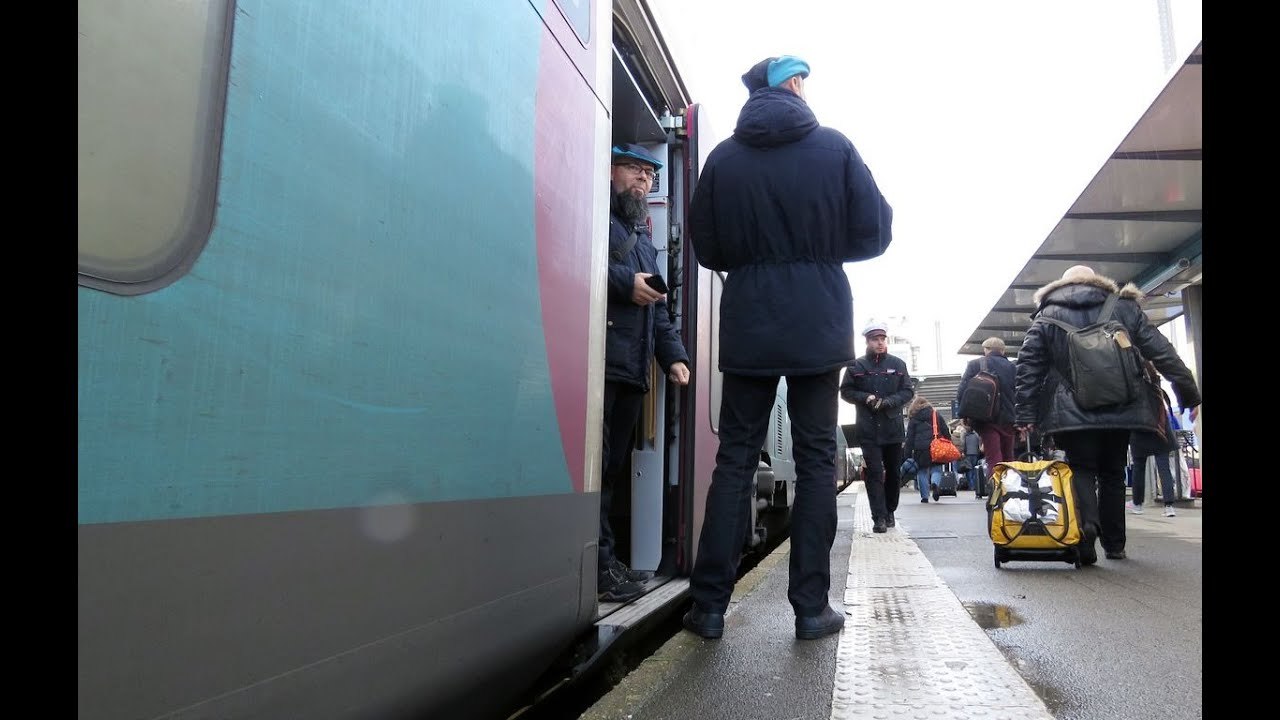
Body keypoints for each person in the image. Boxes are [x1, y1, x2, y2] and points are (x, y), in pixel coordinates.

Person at [681, 55, 893, 641]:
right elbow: (875, 231)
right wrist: (823, 250)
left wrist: (756, 262)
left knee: (736, 459)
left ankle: (707, 609)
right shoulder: (835, 147)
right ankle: (810, 609)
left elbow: (708, 247)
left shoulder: (724, 157)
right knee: (818, 459)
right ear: (795, 86)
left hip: (749, 321)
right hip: (818, 321)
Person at [1013, 265, 1200, 563]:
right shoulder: (1123, 307)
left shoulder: (1045, 317)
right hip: (1122, 405)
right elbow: (1161, 351)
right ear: (1098, 282)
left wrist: (1025, 414)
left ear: (1061, 286)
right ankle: (1115, 544)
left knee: (1081, 468)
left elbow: (1028, 368)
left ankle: (1087, 531)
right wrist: (1188, 392)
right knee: (1113, 472)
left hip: (1071, 411)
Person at [598, 143, 691, 602]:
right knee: (597, 471)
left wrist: (674, 357)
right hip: (600, 367)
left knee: (610, 471)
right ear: (609, 169)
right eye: (634, 169)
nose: (644, 179)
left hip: (632, 372)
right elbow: (575, 261)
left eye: (650, 173)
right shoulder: (596, 218)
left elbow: (660, 312)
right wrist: (621, 283)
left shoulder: (644, 246)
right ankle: (599, 566)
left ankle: (605, 561)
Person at [841, 321, 914, 532]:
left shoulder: (898, 365)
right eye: (875, 340)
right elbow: (845, 391)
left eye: (883, 339)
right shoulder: (856, 366)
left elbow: (908, 391)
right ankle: (878, 518)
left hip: (892, 428)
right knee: (874, 473)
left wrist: (889, 402)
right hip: (868, 428)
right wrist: (865, 398)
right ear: (867, 341)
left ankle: (890, 509)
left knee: (893, 472)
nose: (880, 343)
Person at [955, 337, 1018, 493]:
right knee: (1008, 457)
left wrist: (965, 415)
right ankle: (1010, 492)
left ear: (986, 349)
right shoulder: (1013, 367)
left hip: (986, 419)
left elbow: (962, 392)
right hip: (1009, 419)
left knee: (993, 457)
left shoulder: (976, 364)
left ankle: (996, 493)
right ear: (1003, 351)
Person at [1129, 362, 1182, 517]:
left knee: (1139, 469)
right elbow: (1151, 370)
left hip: (1140, 431)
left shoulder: (1131, 388)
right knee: (1164, 469)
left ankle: (1138, 504)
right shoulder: (1155, 384)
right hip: (1160, 431)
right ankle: (1169, 506)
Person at [903, 396, 949, 503]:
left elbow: (909, 438)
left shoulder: (914, 418)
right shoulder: (935, 414)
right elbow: (945, 429)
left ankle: (924, 497)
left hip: (920, 448)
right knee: (936, 469)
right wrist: (948, 441)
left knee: (922, 471)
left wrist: (907, 454)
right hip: (936, 446)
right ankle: (935, 484)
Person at [963, 424, 984, 497]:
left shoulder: (965, 436)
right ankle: (976, 485)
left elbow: (964, 445)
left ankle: (971, 485)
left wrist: (964, 452)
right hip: (975, 454)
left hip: (968, 454)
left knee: (969, 470)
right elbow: (979, 444)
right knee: (975, 470)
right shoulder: (976, 435)